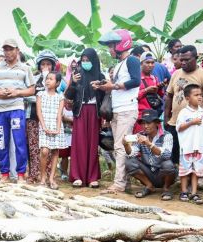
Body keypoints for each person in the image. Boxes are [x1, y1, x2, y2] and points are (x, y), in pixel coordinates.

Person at [95, 30, 142, 193]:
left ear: (121, 44)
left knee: (120, 146)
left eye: (111, 46)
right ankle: (124, 182)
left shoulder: (133, 61)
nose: (110, 50)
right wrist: (103, 85)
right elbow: (118, 85)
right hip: (118, 110)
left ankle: (119, 184)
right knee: (120, 146)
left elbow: (136, 81)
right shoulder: (119, 65)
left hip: (127, 109)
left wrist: (113, 86)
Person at [0, 39, 35, 183]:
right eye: (5, 49)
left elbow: (32, 89)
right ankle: (5, 174)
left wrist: (17, 93)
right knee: (1, 142)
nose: (8, 52)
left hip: (16, 109)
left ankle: (20, 175)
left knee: (19, 141)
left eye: (10, 49)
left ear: (17, 50)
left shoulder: (25, 68)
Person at [64, 47, 105, 188]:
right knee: (79, 144)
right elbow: (68, 96)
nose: (85, 62)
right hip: (80, 112)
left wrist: (99, 88)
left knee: (93, 144)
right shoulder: (77, 74)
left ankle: (92, 177)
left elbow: (105, 97)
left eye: (88, 60)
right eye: (83, 60)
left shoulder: (100, 76)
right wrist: (73, 83)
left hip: (94, 112)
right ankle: (77, 176)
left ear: (94, 61)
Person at [164, 45, 203, 169]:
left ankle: (198, 178)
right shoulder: (176, 74)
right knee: (176, 152)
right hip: (175, 122)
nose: (183, 62)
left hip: (194, 123)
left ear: (195, 58)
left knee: (194, 150)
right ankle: (181, 177)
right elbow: (169, 96)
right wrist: (166, 118)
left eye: (187, 60)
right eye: (181, 59)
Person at [124, 110, 176, 200]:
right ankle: (149, 186)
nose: (145, 126)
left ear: (157, 123)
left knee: (168, 164)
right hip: (148, 172)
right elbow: (131, 154)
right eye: (143, 123)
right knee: (129, 162)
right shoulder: (140, 135)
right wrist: (125, 145)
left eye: (148, 123)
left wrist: (149, 144)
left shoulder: (167, 136)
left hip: (162, 173)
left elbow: (166, 155)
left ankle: (166, 188)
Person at [27, 50, 59, 184]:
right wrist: (38, 97)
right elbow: (27, 96)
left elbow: (59, 97)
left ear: (52, 66)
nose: (45, 67)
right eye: (43, 64)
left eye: (48, 64)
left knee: (49, 149)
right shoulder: (34, 79)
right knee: (34, 147)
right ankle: (34, 174)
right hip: (34, 117)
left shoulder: (57, 80)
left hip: (50, 119)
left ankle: (46, 175)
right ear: (39, 66)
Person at [176, 84, 203, 204]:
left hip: (199, 148)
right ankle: (184, 191)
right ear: (187, 98)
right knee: (185, 171)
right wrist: (192, 122)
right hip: (186, 147)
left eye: (201, 95)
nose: (199, 97)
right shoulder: (184, 112)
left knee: (196, 171)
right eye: (196, 95)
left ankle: (194, 193)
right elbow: (179, 128)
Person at [36, 71, 66, 189]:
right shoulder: (40, 94)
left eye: (51, 79)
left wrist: (58, 129)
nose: (48, 80)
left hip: (56, 126)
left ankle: (51, 178)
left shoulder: (60, 97)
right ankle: (42, 178)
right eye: (47, 78)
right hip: (44, 126)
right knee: (44, 151)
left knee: (55, 152)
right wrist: (43, 126)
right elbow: (39, 112)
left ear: (57, 83)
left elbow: (60, 114)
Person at [134, 52, 164, 132]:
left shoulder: (155, 78)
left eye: (152, 62)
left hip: (153, 115)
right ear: (141, 64)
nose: (150, 65)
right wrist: (146, 90)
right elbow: (133, 96)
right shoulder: (136, 78)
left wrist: (160, 87)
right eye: (147, 62)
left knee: (155, 139)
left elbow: (160, 95)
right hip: (141, 115)